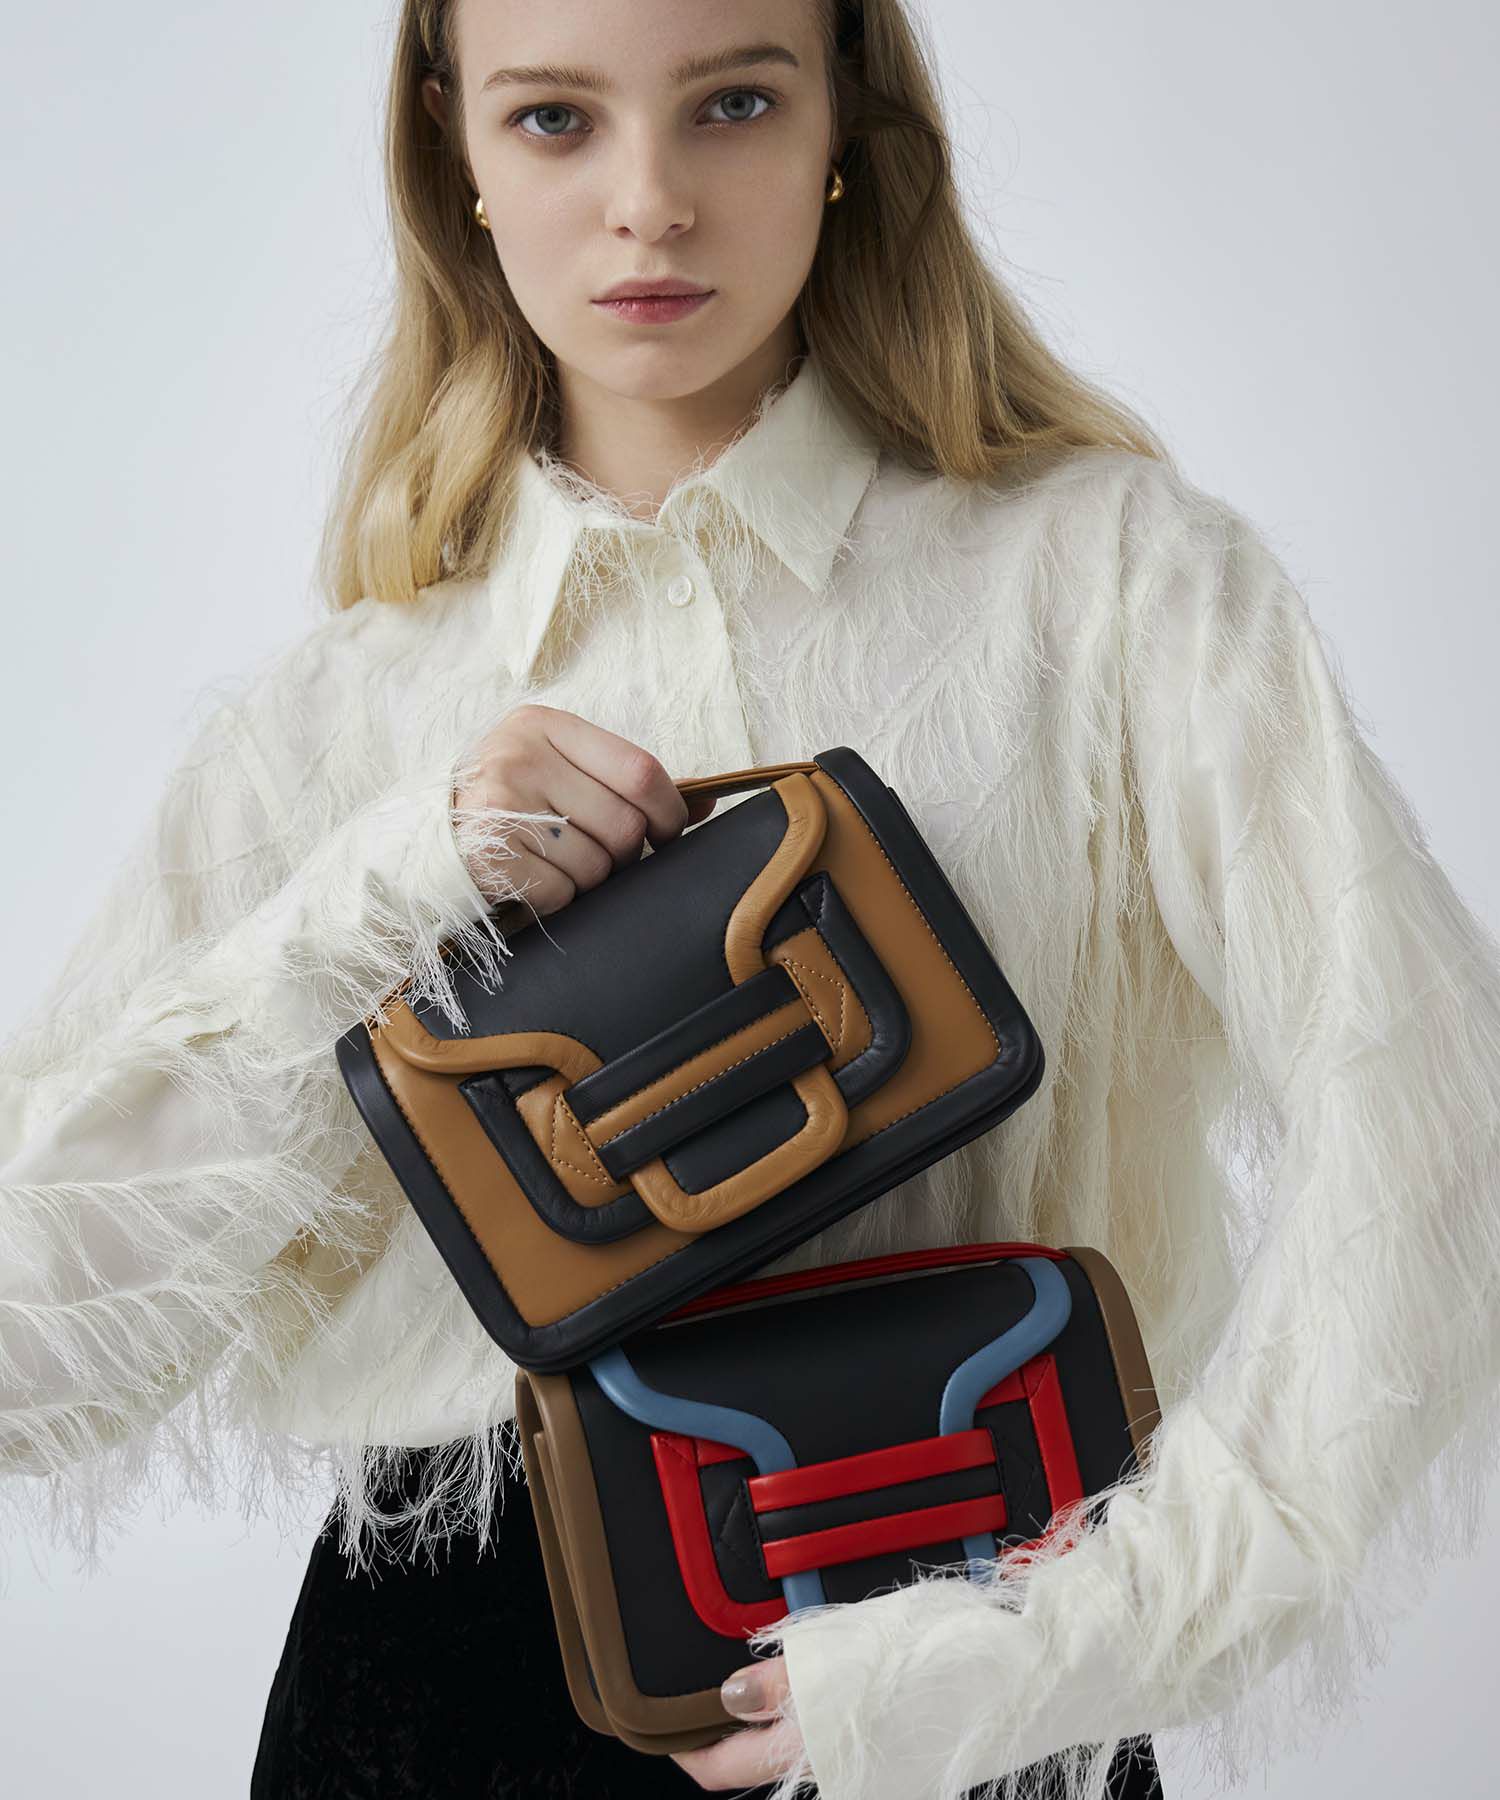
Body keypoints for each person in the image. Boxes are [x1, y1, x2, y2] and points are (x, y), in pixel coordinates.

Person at [4, 1, 1498, 1797]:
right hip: (438, 1702)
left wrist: (1085, 1639)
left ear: (842, 120)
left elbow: (1440, 1131)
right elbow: (29, 1346)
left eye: (730, 102)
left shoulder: (1117, 587)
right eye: (555, 118)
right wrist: (383, 896)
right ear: (451, 148)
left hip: (978, 1627)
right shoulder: (330, 723)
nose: (650, 202)